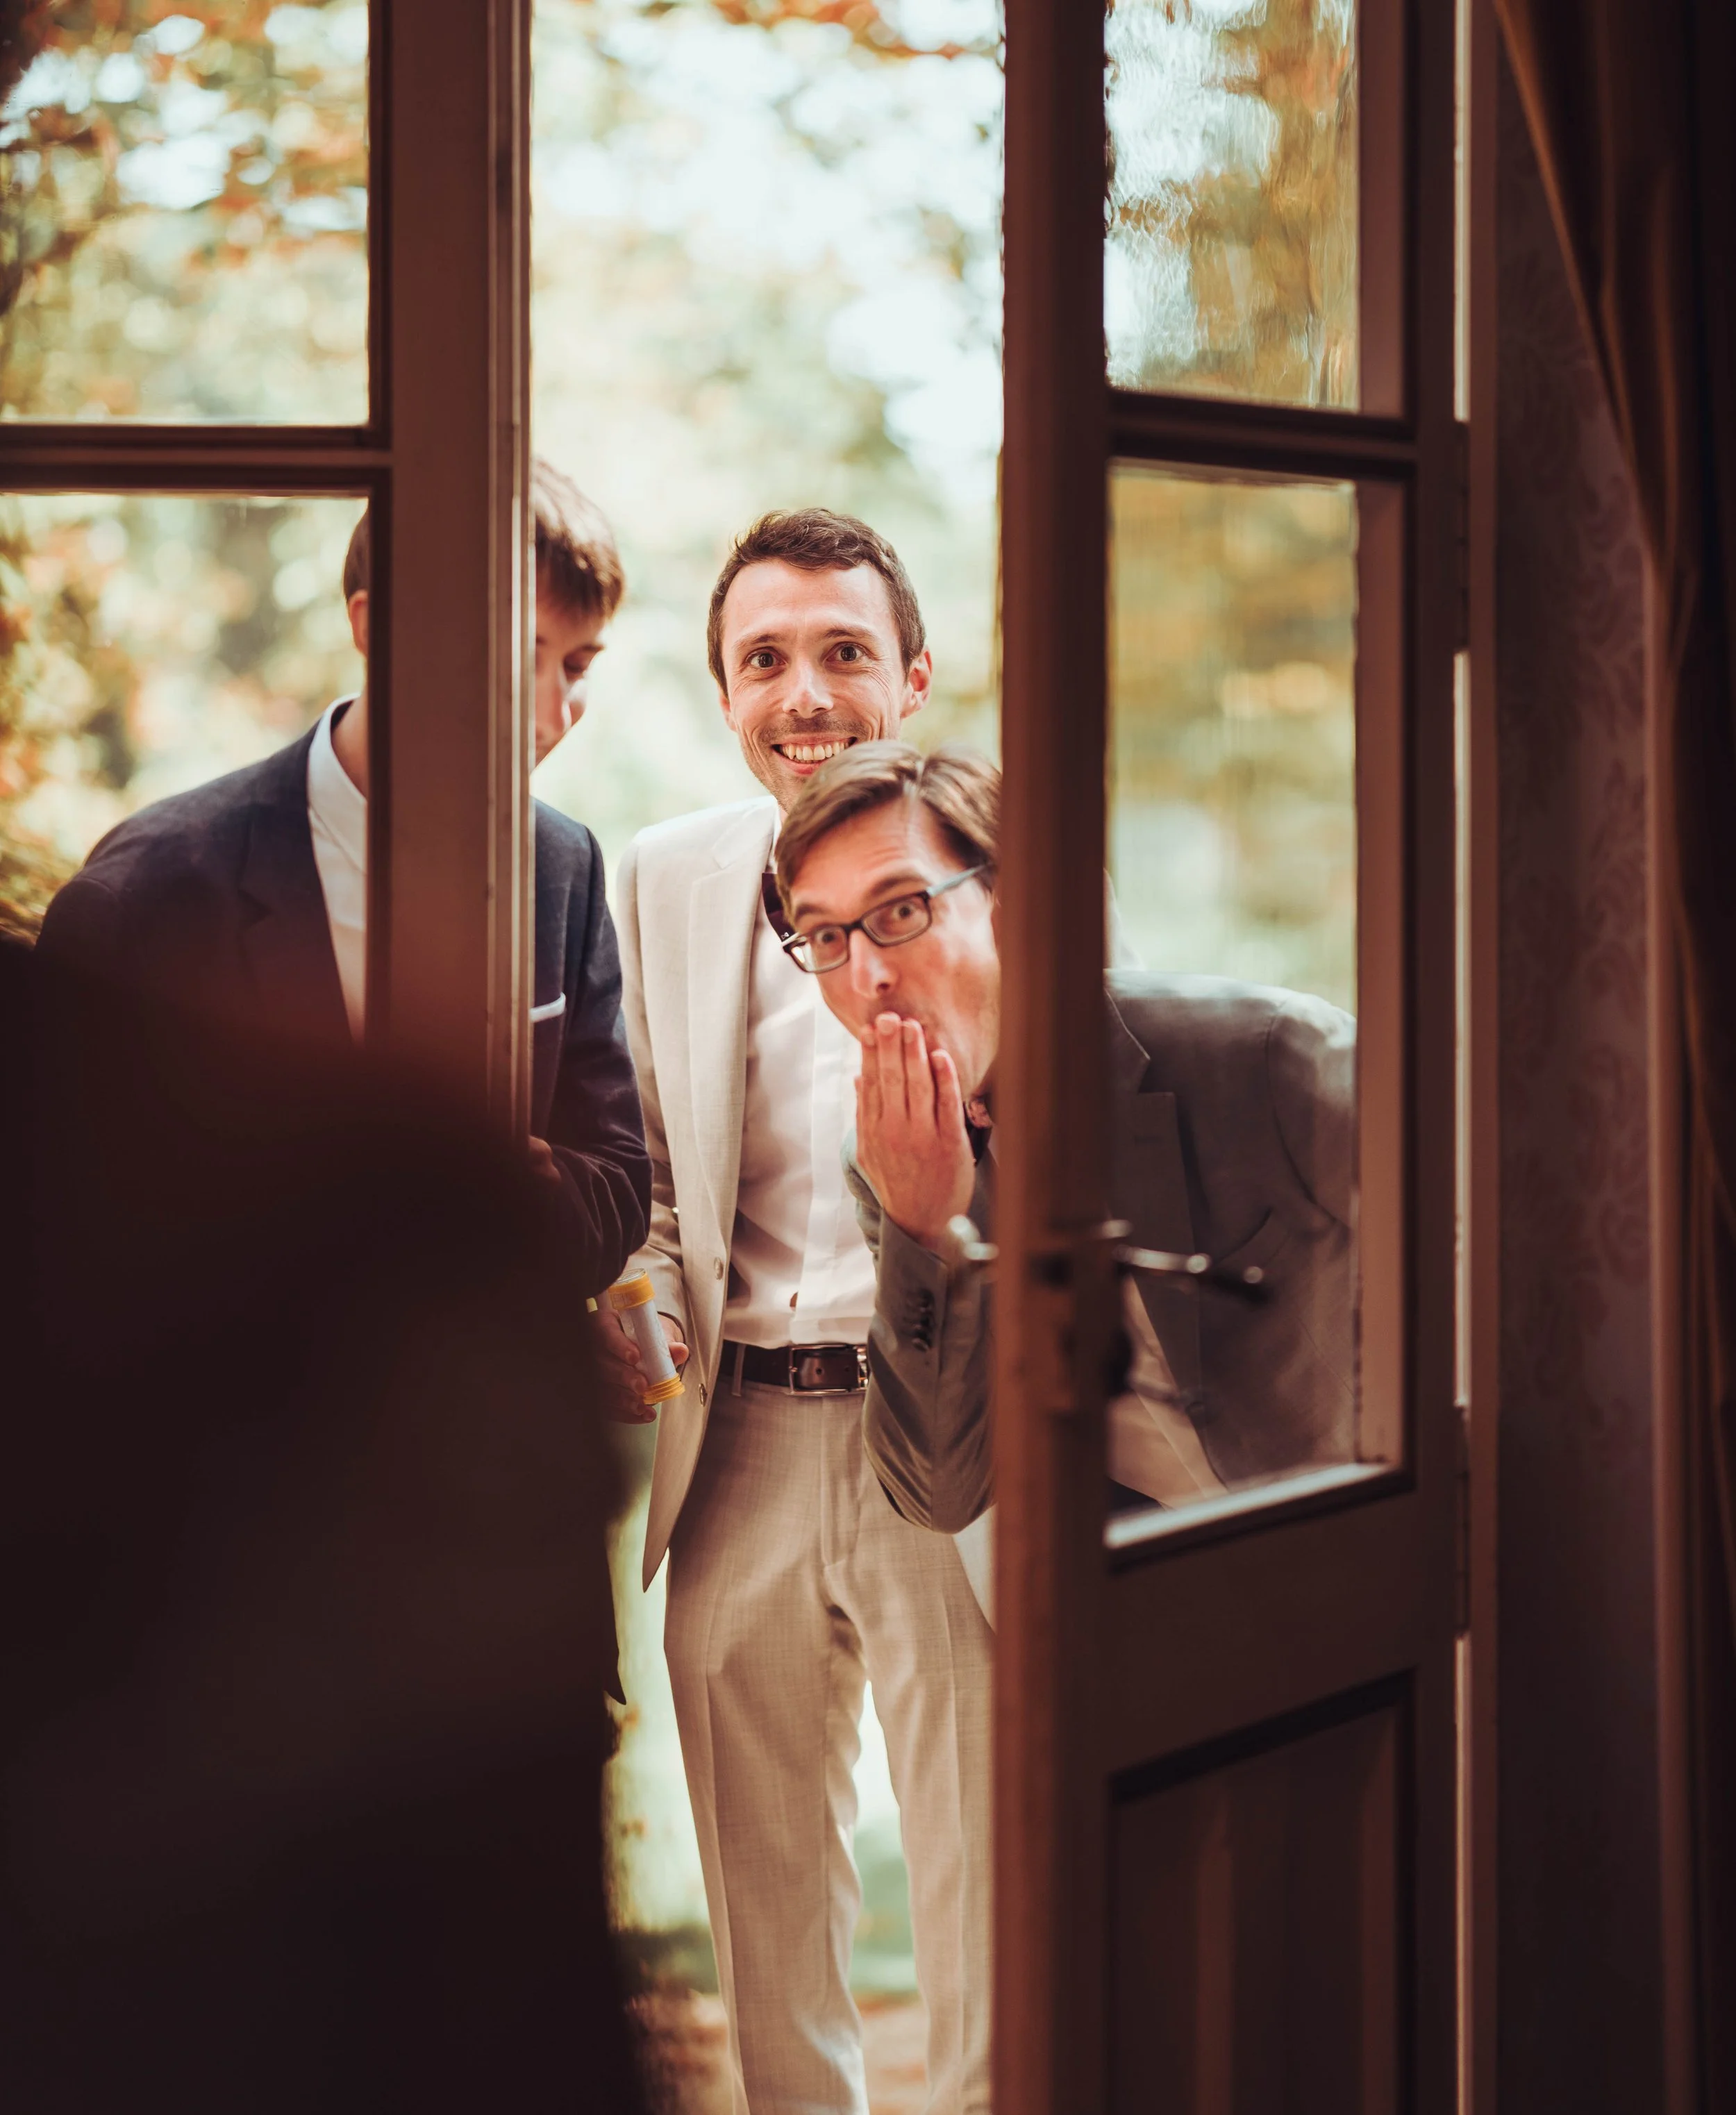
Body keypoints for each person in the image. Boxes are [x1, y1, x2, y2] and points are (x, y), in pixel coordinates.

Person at [605, 512, 990, 2114]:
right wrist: (636, 1289)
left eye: (842, 651)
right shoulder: (664, 881)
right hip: (742, 1433)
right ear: (724, 696)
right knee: (767, 1912)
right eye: (764, 659)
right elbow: (652, 1165)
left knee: (988, 1873)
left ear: (912, 673)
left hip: (950, 1436)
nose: (804, 691)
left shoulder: (989, 870)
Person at [33, 459, 649, 1299]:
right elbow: (63, 1242)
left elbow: (618, 1185)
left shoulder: (565, 864)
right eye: (515, 655)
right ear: (377, 628)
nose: (551, 719)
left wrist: (523, 1189)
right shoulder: (144, 893)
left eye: (575, 669)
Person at [769, 740, 1357, 1537]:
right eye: (827, 937)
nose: (865, 974)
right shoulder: (891, 1167)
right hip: (1165, 1596)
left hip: (1381, 1548)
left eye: (901, 910)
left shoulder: (1270, 1054)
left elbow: (1499, 1283)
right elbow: (940, 1495)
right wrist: (921, 1230)